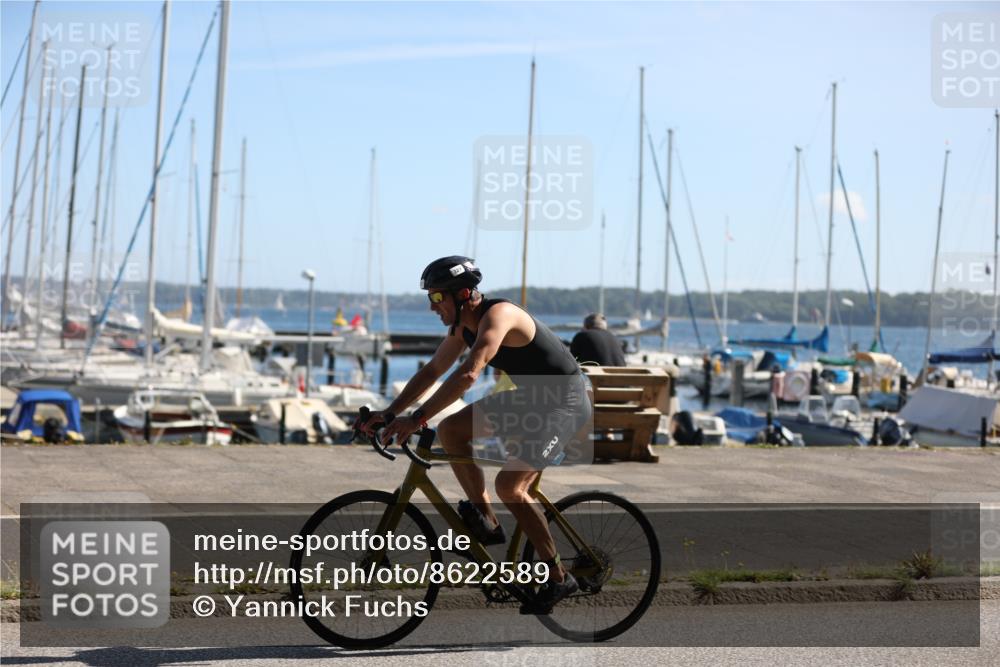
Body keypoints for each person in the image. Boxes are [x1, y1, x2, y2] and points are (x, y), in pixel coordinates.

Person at [359, 256, 591, 614]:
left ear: (464, 294)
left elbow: (469, 373)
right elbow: (433, 371)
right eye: (430, 298)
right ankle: (489, 523)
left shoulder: (500, 316)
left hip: (565, 401)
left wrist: (417, 419)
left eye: (438, 297)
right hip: (531, 400)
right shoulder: (460, 328)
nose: (432, 306)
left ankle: (559, 576)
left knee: (510, 486)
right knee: (451, 430)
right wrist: (389, 413)